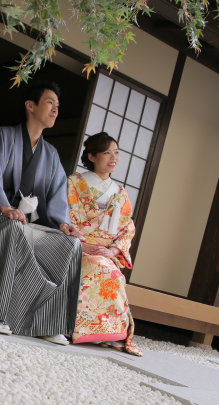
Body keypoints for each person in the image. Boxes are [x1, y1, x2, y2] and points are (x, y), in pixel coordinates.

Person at [0, 81, 84, 345]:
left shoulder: (51, 154)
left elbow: (57, 194)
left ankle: (47, 321)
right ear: (30, 106)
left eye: (58, 105)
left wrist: (63, 223)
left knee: (71, 244)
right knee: (11, 227)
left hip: (28, 224)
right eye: (49, 102)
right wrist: (4, 208)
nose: (56, 109)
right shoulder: (3, 136)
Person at [67, 132, 142, 356]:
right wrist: (82, 244)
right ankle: (83, 329)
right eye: (106, 152)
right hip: (78, 246)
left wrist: (111, 250)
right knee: (98, 267)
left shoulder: (120, 193)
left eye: (116, 152)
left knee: (110, 270)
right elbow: (65, 216)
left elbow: (127, 228)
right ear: (91, 156)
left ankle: (111, 332)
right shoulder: (74, 182)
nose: (113, 157)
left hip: (105, 252)